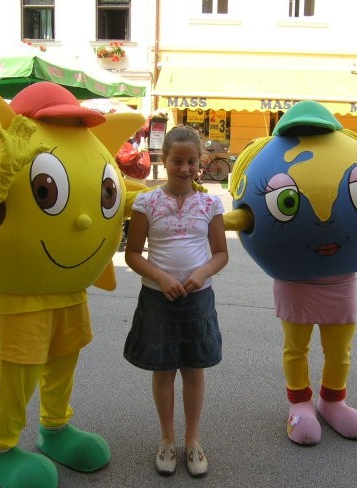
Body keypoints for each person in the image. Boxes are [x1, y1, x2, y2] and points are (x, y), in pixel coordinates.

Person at [123, 125, 228, 478]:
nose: (185, 168)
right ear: (163, 160)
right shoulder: (146, 202)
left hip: (198, 300)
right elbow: (134, 254)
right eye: (177, 161)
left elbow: (220, 254)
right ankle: (167, 439)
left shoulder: (210, 202)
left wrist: (201, 274)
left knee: (194, 369)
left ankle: (193, 441)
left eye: (191, 161)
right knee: (164, 369)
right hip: (158, 299)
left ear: (201, 162)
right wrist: (162, 277)